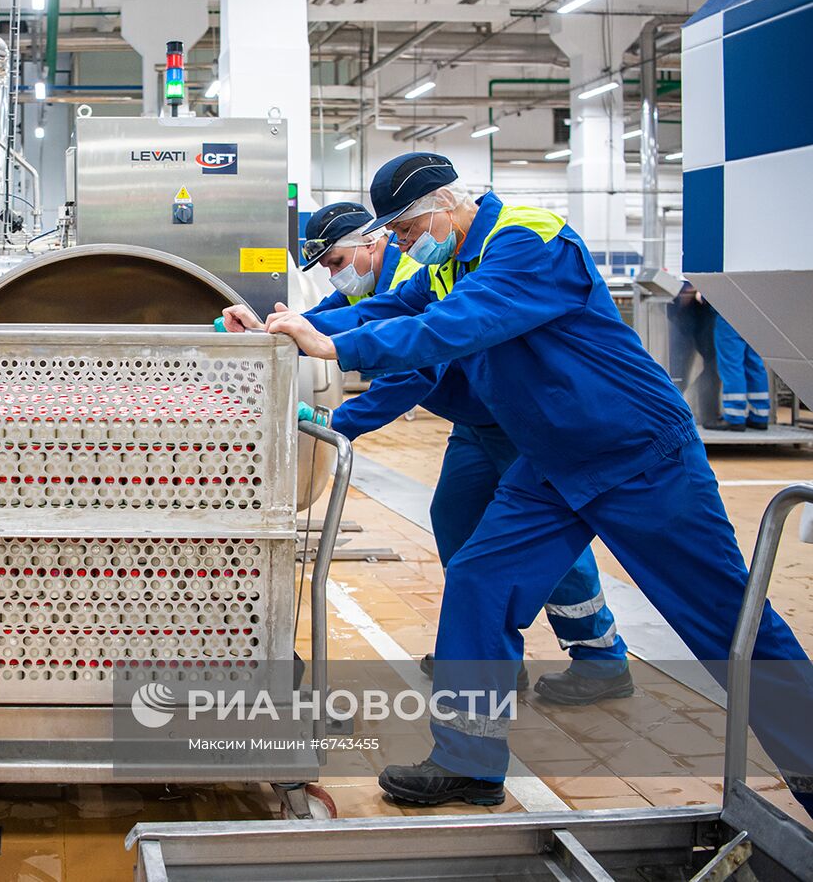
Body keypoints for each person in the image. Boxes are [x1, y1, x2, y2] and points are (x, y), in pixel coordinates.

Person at [264, 153, 813, 813]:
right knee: (481, 578)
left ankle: (809, 761)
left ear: (441, 206)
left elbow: (459, 325)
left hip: (637, 451)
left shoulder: (528, 239)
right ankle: (468, 761)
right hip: (551, 457)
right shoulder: (449, 257)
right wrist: (288, 333)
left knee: (721, 617)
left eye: (405, 232)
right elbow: (389, 307)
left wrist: (339, 352)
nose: (403, 247)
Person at [225, 202, 633, 705]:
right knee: (454, 516)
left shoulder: (422, 266)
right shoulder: (388, 278)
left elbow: (418, 373)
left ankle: (599, 654)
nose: (336, 276)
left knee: (541, 536)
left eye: (336, 262)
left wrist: (335, 423)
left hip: (517, 422)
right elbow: (334, 318)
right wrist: (274, 332)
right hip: (478, 420)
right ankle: (483, 650)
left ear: (370, 241)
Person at [704, 299, 771, 431]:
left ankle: (734, 416)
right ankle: (760, 415)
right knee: (755, 364)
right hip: (757, 313)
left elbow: (718, 283)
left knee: (731, 365)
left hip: (730, 310)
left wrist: (704, 295)